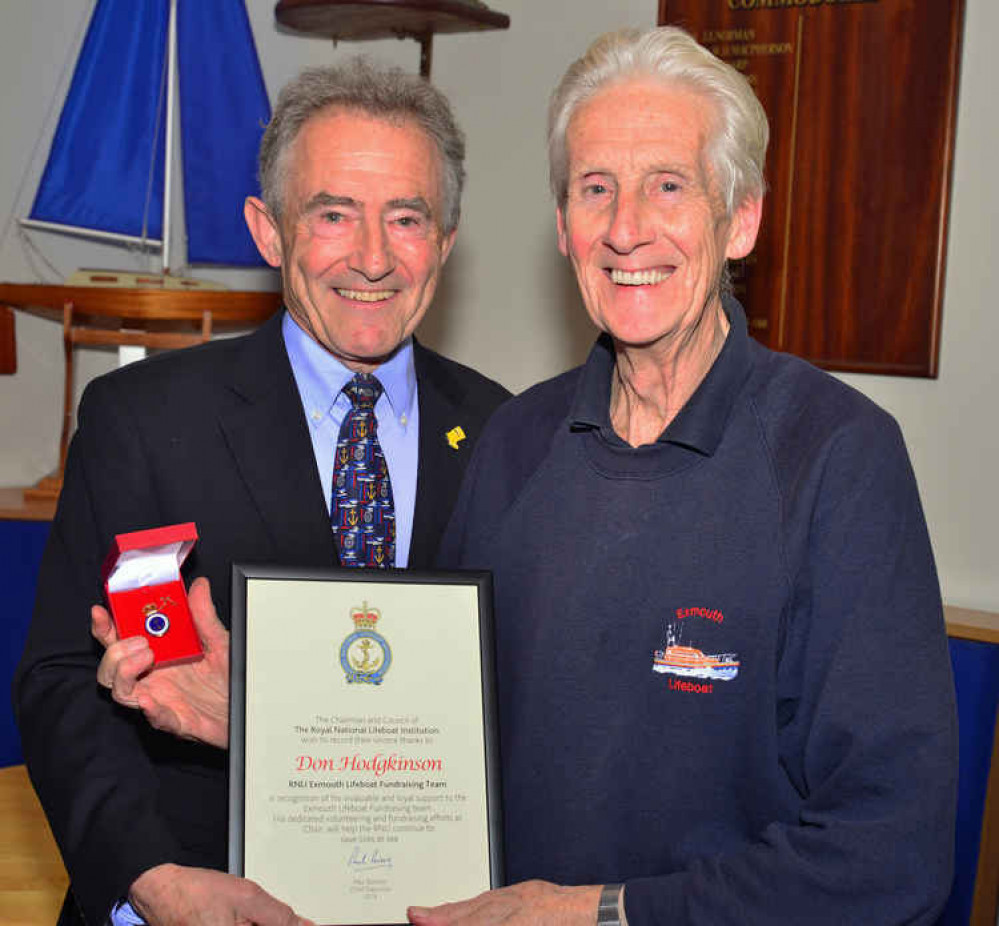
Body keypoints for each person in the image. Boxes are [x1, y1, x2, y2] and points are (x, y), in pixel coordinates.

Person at [410, 26, 958, 926]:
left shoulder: (837, 457)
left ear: (739, 219)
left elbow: (888, 853)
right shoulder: (511, 444)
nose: (626, 229)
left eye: (668, 185)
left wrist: (602, 913)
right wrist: (270, 710)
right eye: (595, 189)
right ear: (561, 225)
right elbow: (428, 735)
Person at [13, 60, 509, 926]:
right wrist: (151, 883)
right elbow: (63, 679)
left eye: (406, 217)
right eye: (332, 214)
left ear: (447, 240)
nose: (371, 257)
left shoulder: (508, 434)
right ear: (268, 231)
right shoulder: (147, 420)